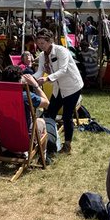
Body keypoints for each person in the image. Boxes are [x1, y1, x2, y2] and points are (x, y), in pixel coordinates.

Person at [33, 28, 83, 156]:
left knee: (67, 116)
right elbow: (40, 71)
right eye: (38, 43)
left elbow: (63, 70)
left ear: (50, 41)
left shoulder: (61, 51)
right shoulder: (42, 55)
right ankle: (50, 142)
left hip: (72, 87)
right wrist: (31, 78)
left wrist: (47, 78)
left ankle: (67, 145)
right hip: (58, 88)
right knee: (49, 113)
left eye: (42, 43)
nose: (40, 46)